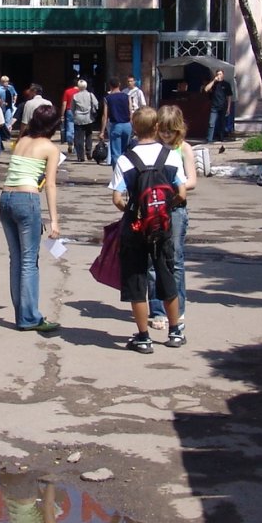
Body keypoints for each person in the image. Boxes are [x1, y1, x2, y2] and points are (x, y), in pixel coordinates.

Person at [108, 107, 186, 353]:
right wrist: (163, 209)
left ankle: (143, 338)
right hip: (162, 225)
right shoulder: (171, 155)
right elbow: (181, 193)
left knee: (136, 279)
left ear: (134, 128)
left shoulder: (125, 159)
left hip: (135, 225)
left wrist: (133, 210)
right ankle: (174, 333)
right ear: (156, 128)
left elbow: (117, 198)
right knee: (167, 273)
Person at [0, 103, 62, 334]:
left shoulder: (21, 141)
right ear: (54, 126)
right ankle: (30, 317)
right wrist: (54, 219)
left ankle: (22, 314)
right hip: (27, 200)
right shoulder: (50, 148)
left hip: (6, 198)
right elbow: (51, 185)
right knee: (28, 261)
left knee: (16, 259)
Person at [147, 104, 197, 330]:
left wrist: (173, 187)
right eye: (163, 130)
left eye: (171, 130)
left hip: (176, 207)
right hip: (154, 209)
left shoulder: (184, 149)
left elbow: (192, 181)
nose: (166, 135)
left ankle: (178, 309)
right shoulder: (154, 148)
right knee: (152, 260)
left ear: (179, 129)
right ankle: (157, 310)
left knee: (174, 260)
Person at [102, 77, 133, 165]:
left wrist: (102, 131)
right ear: (119, 84)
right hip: (127, 126)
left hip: (116, 126)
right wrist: (133, 126)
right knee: (125, 152)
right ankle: (125, 172)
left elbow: (105, 115)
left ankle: (117, 173)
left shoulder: (108, 98)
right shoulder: (127, 97)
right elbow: (130, 112)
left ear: (110, 86)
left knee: (116, 153)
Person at [70, 79, 99, 163]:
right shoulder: (90, 95)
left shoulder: (75, 96)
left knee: (79, 138)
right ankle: (88, 151)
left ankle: (80, 156)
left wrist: (75, 114)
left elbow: (72, 108)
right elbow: (96, 105)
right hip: (89, 118)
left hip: (78, 118)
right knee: (89, 135)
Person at [204, 70, 235, 145]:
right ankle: (209, 139)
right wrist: (213, 81)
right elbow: (206, 89)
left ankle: (221, 138)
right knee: (211, 123)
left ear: (223, 75)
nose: (219, 75)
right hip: (214, 106)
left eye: (220, 74)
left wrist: (228, 108)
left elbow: (229, 97)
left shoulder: (226, 84)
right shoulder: (214, 84)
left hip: (223, 106)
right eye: (217, 74)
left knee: (222, 123)